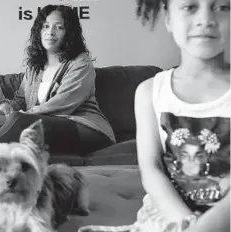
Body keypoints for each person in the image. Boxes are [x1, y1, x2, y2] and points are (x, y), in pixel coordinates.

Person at [78, 0, 230, 231]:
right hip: (167, 218)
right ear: (169, 19)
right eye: (190, 7)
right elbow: (151, 169)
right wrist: (185, 222)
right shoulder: (150, 91)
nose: (206, 19)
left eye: (222, 7)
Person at [0, 4, 116, 154]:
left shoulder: (80, 62)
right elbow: (20, 100)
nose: (50, 32)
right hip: (44, 126)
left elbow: (61, 105)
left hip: (87, 129)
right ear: (38, 31)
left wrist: (10, 119)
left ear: (69, 33)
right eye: (45, 26)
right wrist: (6, 108)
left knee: (21, 124)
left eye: (59, 27)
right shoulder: (34, 67)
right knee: (3, 126)